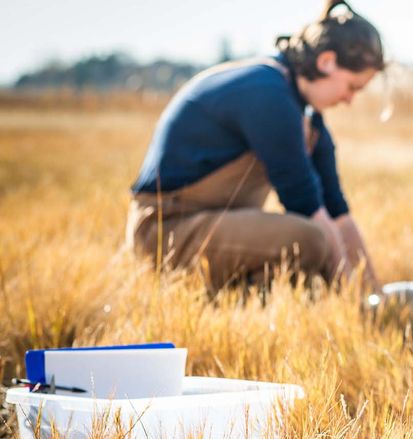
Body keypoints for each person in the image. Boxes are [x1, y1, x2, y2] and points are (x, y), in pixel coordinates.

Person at [126, 0, 383, 292]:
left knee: (312, 273)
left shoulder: (307, 115)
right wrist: (352, 297)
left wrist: (375, 292)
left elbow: (338, 213)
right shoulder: (267, 94)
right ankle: (225, 296)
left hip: (213, 224)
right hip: (165, 231)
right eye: (352, 87)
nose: (350, 100)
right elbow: (309, 208)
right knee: (312, 240)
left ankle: (237, 297)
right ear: (326, 62)